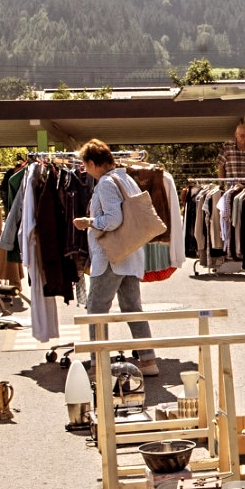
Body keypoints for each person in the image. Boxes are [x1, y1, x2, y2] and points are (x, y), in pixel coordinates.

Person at [71, 139, 158, 376]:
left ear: (92, 163)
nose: (85, 170)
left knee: (97, 308)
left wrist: (88, 222)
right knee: (132, 307)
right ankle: (148, 360)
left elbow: (113, 219)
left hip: (111, 257)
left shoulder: (106, 184)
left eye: (85, 165)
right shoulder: (127, 179)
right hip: (130, 254)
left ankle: (98, 362)